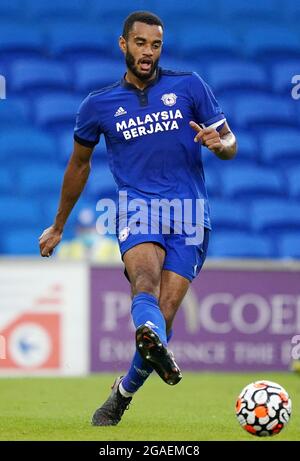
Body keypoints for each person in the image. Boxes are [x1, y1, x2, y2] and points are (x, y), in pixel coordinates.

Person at [39, 11, 237, 426]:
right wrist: (59, 224)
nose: (149, 52)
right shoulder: (98, 105)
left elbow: (229, 142)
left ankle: (122, 392)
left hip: (189, 213)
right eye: (142, 43)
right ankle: (148, 345)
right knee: (144, 279)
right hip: (138, 208)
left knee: (161, 317)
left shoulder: (190, 86)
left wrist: (220, 145)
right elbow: (78, 166)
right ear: (124, 44)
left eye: (156, 45)